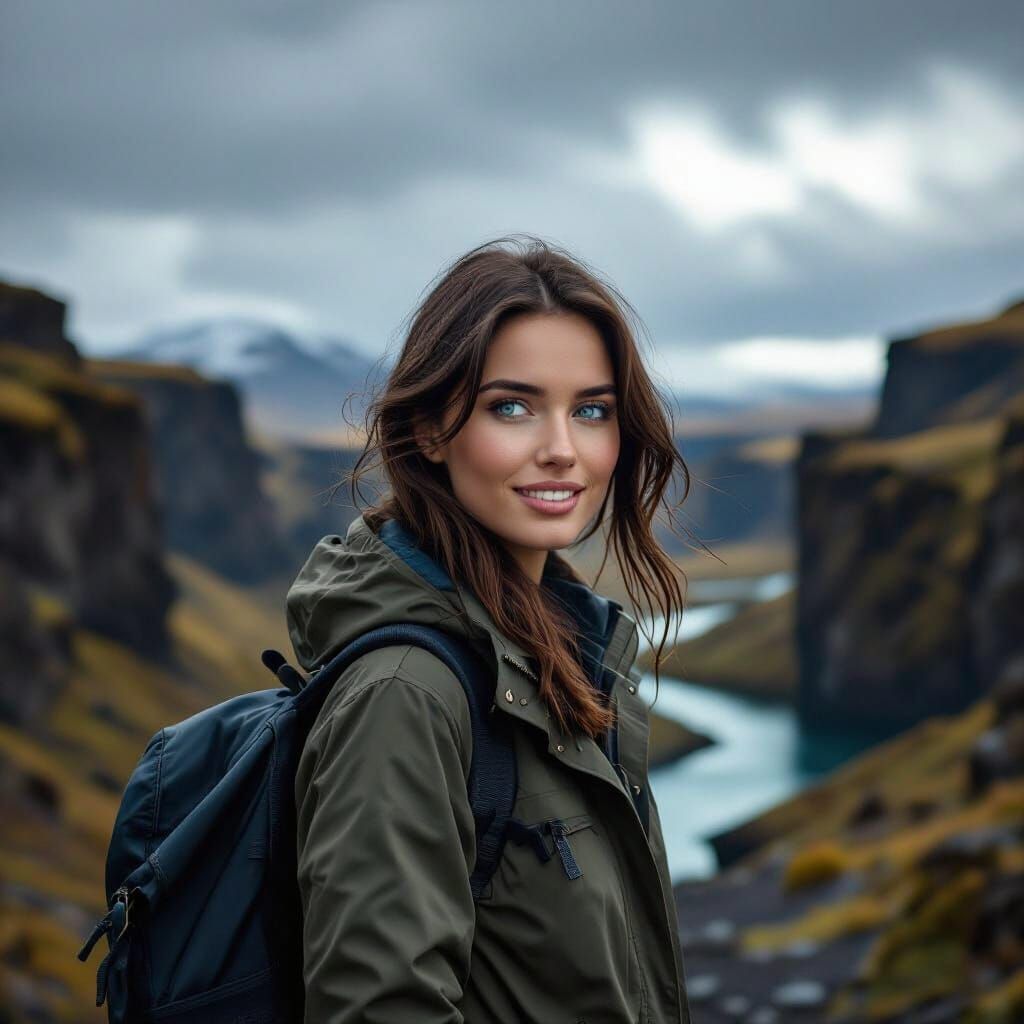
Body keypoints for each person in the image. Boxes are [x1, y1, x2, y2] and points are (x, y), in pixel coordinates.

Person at [286, 235, 697, 1023]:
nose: (562, 451)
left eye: (592, 411)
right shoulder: (407, 695)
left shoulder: (565, 658)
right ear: (433, 430)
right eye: (512, 407)